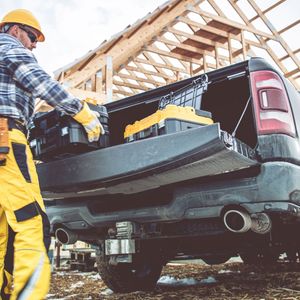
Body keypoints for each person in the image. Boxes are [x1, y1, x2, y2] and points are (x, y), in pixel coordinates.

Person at [0, 8, 104, 300]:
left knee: (3, 229)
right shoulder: (8, 47)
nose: (34, 45)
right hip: (5, 138)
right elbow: (41, 83)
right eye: (32, 37)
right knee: (31, 222)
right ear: (14, 30)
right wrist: (81, 112)